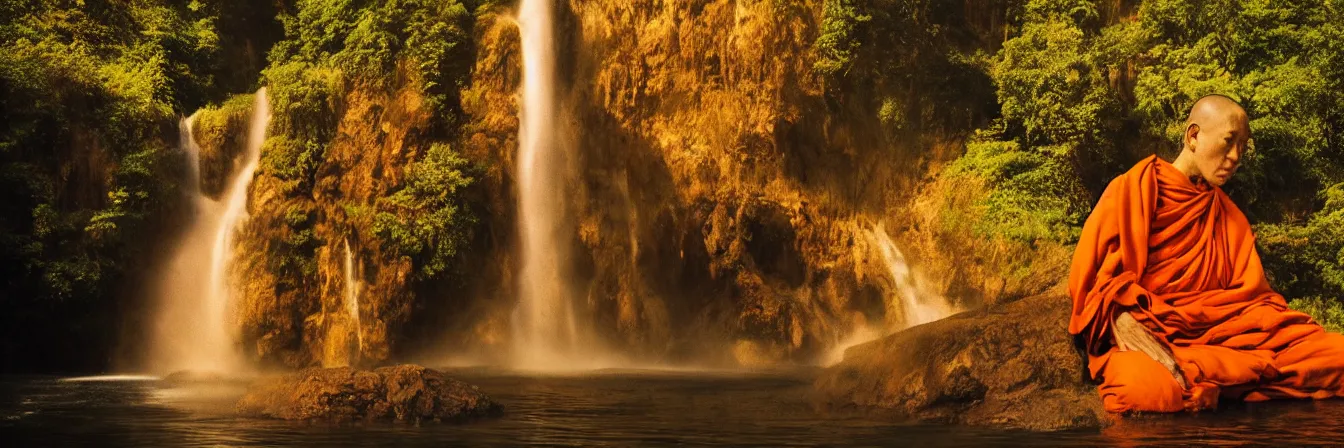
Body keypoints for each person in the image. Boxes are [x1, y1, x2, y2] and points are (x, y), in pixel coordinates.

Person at [1067, 94, 1344, 413]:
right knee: (1150, 393)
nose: (1235, 156)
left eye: (1242, 146)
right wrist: (1117, 314)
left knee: (1337, 355)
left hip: (1226, 338)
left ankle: (1222, 378)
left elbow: (1255, 298)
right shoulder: (1133, 189)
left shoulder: (1228, 215)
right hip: (1156, 334)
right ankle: (1226, 379)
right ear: (1193, 136)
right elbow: (1089, 280)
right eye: (1229, 142)